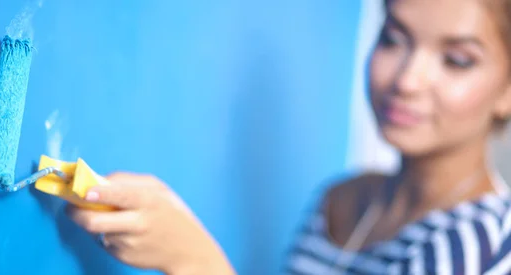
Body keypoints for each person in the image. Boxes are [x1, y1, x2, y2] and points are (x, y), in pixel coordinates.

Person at [65, 0, 511, 273]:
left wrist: (193, 262)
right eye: (394, 39)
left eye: (456, 60)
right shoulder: (339, 202)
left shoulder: (482, 246)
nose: (408, 79)